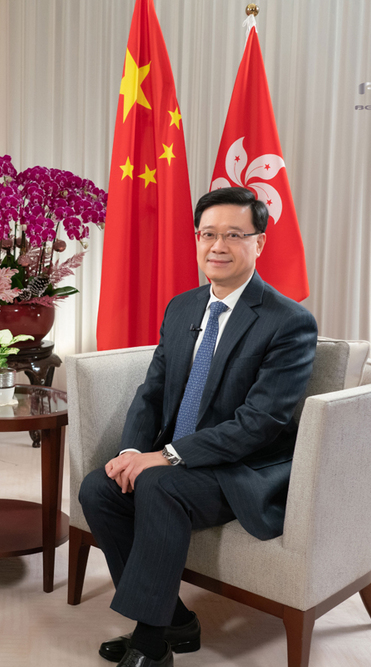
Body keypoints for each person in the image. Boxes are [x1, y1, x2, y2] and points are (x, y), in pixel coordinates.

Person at [79, 187, 318, 667]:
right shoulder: (183, 307)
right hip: (181, 458)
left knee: (158, 485)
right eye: (208, 234)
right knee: (99, 489)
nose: (218, 246)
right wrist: (132, 452)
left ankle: (151, 645)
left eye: (234, 235)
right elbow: (152, 392)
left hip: (241, 467)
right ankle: (176, 621)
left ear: (259, 242)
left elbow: (260, 423)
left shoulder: (289, 322)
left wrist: (165, 457)